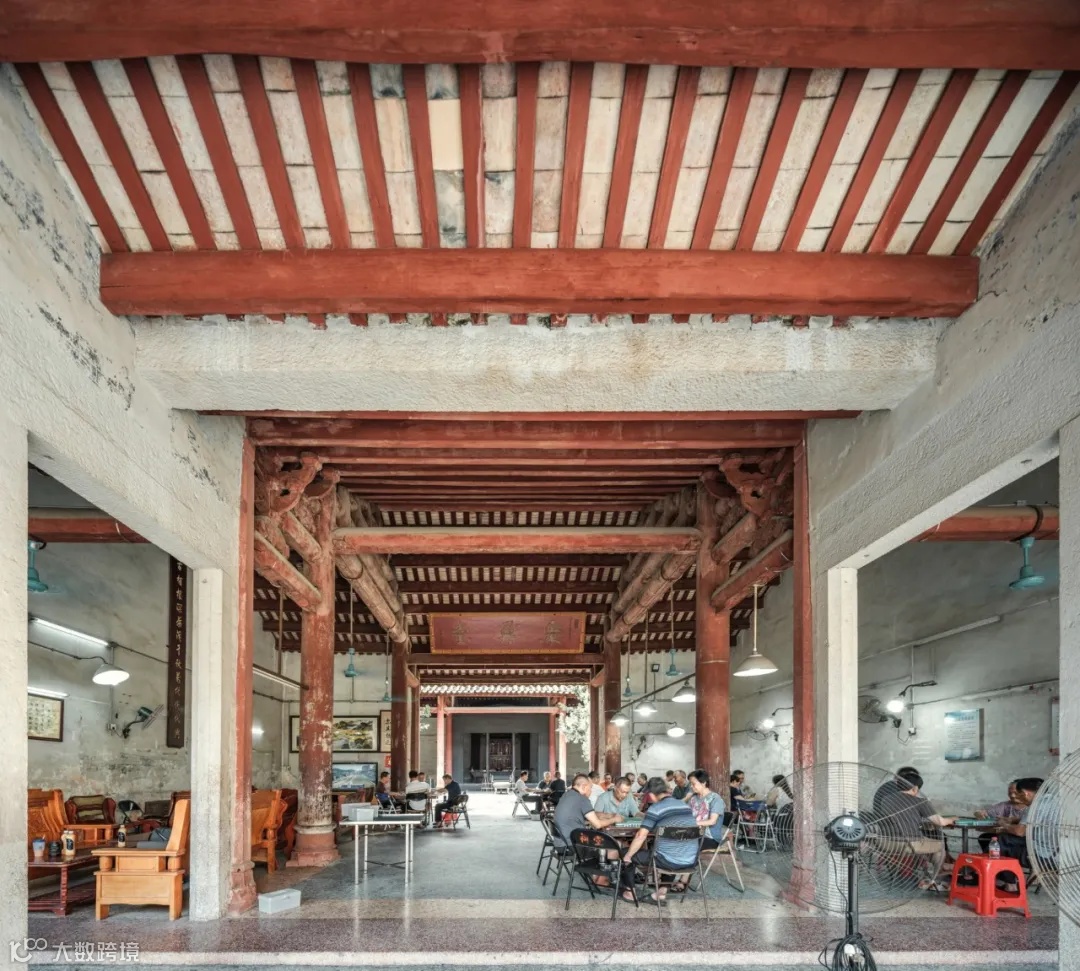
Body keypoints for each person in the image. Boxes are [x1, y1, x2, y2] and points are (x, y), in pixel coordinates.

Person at [619, 777, 701, 903]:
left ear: (651, 795)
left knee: (625, 853)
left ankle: (630, 892)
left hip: (668, 861)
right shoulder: (684, 806)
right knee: (671, 850)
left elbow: (641, 836)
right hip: (691, 860)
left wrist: (628, 856)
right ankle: (662, 892)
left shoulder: (656, 808)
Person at [875, 767, 956, 888]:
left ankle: (933, 873)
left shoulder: (886, 799)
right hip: (910, 843)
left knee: (927, 845)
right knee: (939, 846)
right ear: (915, 788)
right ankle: (935, 877)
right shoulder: (920, 801)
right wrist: (953, 819)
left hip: (886, 843)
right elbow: (940, 822)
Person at [994, 777, 1049, 881]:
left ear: (1025, 793)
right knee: (1004, 840)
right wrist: (1014, 820)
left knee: (1000, 843)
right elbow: (1038, 820)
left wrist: (1004, 825)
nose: (1017, 797)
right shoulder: (1053, 801)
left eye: (1018, 794)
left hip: (1041, 855)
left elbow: (1019, 832)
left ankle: (1009, 883)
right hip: (1058, 853)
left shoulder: (1035, 806)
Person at [552, 773, 623, 848]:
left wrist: (608, 815)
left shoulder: (567, 794)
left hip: (560, 843)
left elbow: (582, 816)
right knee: (615, 843)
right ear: (583, 786)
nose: (591, 791)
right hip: (574, 844)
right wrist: (614, 819)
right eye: (590, 787)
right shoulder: (582, 799)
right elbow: (598, 825)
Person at [688, 769, 728, 848]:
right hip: (694, 834)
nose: (691, 786)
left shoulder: (715, 799)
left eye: (693, 784)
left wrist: (692, 823)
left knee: (684, 845)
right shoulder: (694, 798)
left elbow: (712, 821)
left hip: (709, 837)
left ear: (703, 783)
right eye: (690, 784)